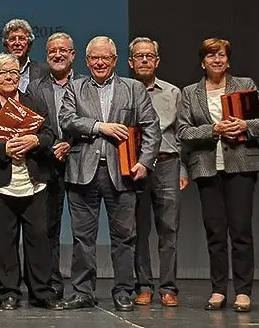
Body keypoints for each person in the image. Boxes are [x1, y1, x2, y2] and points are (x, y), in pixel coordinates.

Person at [59, 36, 160, 312]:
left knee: (124, 237)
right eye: (94, 58)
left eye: (105, 58)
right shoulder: (75, 87)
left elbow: (151, 127)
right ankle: (82, 292)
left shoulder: (133, 88)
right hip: (83, 172)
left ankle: (124, 291)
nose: (100, 62)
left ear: (115, 61)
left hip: (123, 172)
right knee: (82, 238)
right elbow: (66, 120)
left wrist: (145, 161)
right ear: (87, 61)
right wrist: (99, 126)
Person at [177, 37, 259, 312]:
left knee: (241, 230)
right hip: (207, 168)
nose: (217, 60)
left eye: (221, 55)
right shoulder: (190, 93)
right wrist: (213, 130)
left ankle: (243, 291)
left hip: (241, 166)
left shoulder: (245, 85)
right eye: (211, 56)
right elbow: (183, 132)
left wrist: (244, 124)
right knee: (215, 231)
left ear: (228, 59)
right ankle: (218, 290)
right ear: (203, 62)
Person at [0, 53, 66, 310]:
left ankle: (41, 292)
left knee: (38, 239)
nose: (10, 77)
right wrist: (4, 149)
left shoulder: (33, 102)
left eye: (14, 72)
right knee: (2, 241)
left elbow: (49, 134)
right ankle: (7, 292)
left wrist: (36, 141)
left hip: (33, 182)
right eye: (3, 72)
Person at [127, 37, 189, 308]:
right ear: (130, 62)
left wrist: (182, 168)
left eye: (149, 56)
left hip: (167, 164)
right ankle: (143, 285)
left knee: (169, 229)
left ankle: (168, 287)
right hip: (135, 166)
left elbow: (181, 134)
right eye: (139, 56)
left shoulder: (173, 93)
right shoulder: (123, 91)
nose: (143, 60)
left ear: (157, 61)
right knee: (138, 229)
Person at [25, 32, 84, 299]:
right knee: (48, 228)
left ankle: (84, 286)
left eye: (63, 51)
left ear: (73, 55)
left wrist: (69, 143)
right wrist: (51, 146)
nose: (57, 55)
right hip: (47, 162)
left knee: (83, 229)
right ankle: (51, 282)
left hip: (82, 159)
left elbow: (91, 119)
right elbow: (32, 125)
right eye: (52, 52)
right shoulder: (35, 87)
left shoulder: (85, 85)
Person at [2, 18, 45, 92]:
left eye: (22, 39)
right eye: (12, 39)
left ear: (29, 43)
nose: (17, 43)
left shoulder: (43, 71)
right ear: (6, 44)